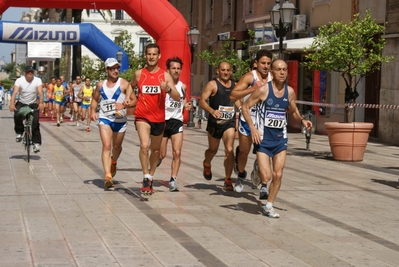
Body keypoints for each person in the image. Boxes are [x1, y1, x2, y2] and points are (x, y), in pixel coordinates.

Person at [241, 59, 312, 218]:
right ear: (271, 73)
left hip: (280, 139)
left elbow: (293, 109)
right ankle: (258, 169)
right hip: (263, 139)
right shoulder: (264, 90)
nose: (282, 72)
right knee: (266, 177)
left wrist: (302, 120)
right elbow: (245, 107)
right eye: (278, 69)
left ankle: (269, 205)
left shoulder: (290, 92)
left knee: (278, 174)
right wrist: (252, 128)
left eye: (285, 70)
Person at [130, 43, 180, 195]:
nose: (151, 57)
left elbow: (177, 97)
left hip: (158, 118)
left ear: (159, 56)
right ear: (145, 55)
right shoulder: (139, 74)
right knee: (144, 146)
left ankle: (151, 176)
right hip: (142, 116)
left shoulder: (165, 76)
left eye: (154, 54)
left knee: (156, 150)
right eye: (148, 54)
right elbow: (129, 86)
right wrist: (129, 99)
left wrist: (168, 89)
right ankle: (145, 176)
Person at [230, 50, 273, 193]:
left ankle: (259, 172)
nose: (266, 66)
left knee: (264, 152)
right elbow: (233, 95)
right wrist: (251, 90)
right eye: (263, 63)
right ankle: (241, 175)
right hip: (248, 119)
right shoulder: (250, 77)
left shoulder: (274, 78)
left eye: (268, 63)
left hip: (265, 121)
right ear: (256, 63)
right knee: (244, 151)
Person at [90, 58, 135, 189]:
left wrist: (124, 104)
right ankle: (107, 175)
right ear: (107, 70)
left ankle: (113, 161)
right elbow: (95, 99)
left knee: (116, 147)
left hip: (120, 120)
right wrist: (93, 111)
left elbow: (134, 100)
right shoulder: (100, 85)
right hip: (105, 118)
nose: (115, 71)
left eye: (117, 68)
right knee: (106, 145)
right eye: (112, 68)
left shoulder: (124, 84)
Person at [199, 61, 236, 191]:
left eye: (228, 70)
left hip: (229, 122)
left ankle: (228, 179)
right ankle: (207, 163)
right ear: (218, 71)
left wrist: (240, 111)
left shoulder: (235, 86)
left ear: (231, 72)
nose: (225, 72)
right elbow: (201, 101)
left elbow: (239, 102)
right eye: (223, 70)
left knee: (229, 149)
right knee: (212, 150)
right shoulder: (212, 84)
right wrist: (212, 111)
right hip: (215, 123)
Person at [158, 57, 192, 191]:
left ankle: (173, 180)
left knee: (177, 152)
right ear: (168, 70)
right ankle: (156, 161)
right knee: (161, 154)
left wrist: (186, 106)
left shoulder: (183, 86)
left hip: (177, 121)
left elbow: (183, 100)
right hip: (163, 120)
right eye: (173, 68)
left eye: (178, 68)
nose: (176, 71)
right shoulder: (163, 84)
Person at [9, 66, 44, 153]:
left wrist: (41, 102)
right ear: (25, 73)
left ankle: (36, 143)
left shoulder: (37, 80)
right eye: (28, 72)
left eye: (31, 72)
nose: (30, 74)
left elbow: (40, 92)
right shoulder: (19, 80)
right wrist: (11, 104)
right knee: (17, 114)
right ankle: (19, 132)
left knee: (35, 122)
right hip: (22, 103)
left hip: (33, 104)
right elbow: (14, 93)